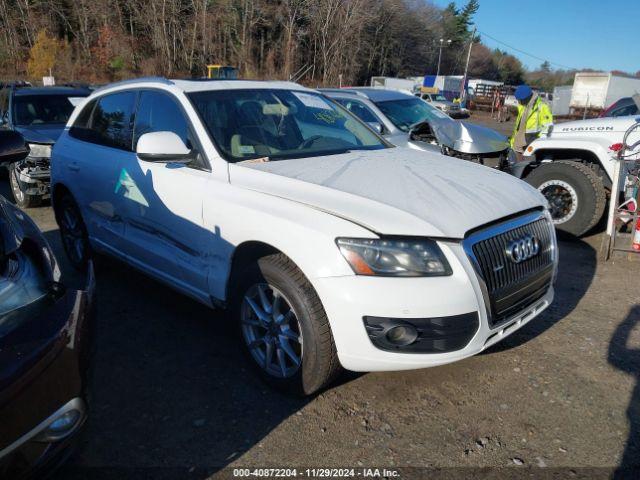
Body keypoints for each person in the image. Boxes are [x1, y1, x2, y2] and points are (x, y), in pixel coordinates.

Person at [509, 84, 553, 154]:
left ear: (527, 97)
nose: (519, 101)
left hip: (532, 139)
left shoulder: (542, 106)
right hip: (520, 139)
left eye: (520, 100)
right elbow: (519, 125)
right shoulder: (522, 105)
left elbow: (548, 125)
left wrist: (542, 140)